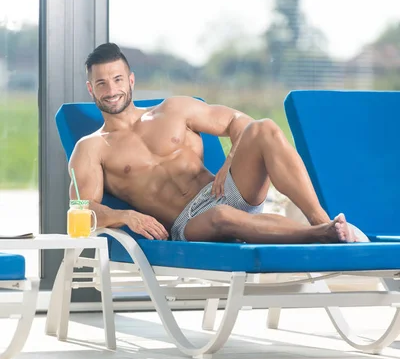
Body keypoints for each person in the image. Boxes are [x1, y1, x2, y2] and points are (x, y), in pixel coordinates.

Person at [69, 42, 359, 244]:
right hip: (189, 222)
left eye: (117, 79)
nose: (111, 90)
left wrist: (231, 158)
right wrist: (125, 216)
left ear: (131, 80)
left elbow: (239, 122)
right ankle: (321, 236)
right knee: (220, 214)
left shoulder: (174, 109)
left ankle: (322, 221)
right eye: (102, 83)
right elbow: (81, 208)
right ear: (90, 89)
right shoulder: (91, 147)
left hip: (225, 189)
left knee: (265, 129)